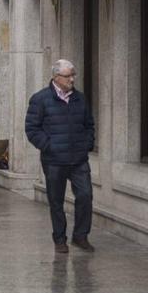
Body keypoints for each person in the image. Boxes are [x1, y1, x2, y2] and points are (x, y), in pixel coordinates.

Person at [25, 59, 96, 254]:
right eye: (68, 76)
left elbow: (89, 124)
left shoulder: (80, 98)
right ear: (56, 77)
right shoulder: (40, 99)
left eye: (73, 75)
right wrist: (49, 146)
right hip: (54, 160)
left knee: (85, 196)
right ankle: (59, 238)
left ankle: (81, 236)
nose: (72, 79)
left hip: (78, 159)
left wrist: (87, 144)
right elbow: (32, 129)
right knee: (56, 200)